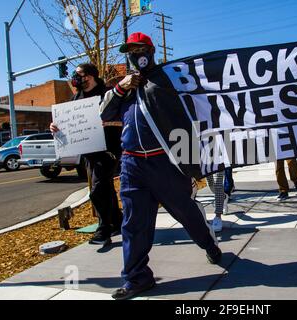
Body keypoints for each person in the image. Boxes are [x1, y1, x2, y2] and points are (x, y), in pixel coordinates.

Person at [99, 32, 221, 300]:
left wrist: (192, 165)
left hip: (164, 162)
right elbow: (104, 114)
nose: (135, 53)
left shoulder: (169, 78)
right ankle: (137, 279)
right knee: (134, 224)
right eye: (130, 50)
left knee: (185, 212)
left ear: (150, 50)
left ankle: (209, 245)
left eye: (140, 48)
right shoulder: (123, 87)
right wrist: (121, 88)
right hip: (132, 164)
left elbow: (191, 116)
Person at [51, 63, 122, 246]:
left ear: (89, 76)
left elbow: (124, 119)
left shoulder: (108, 94)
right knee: (104, 187)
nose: (75, 78)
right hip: (89, 152)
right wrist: (56, 128)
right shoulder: (76, 99)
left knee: (98, 189)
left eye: (78, 74)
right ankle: (118, 221)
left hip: (109, 150)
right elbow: (70, 125)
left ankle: (103, 228)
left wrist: (110, 124)